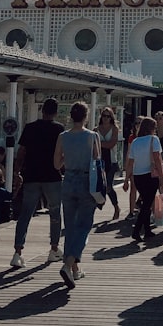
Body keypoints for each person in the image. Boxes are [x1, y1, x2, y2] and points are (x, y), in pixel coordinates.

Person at [10, 98, 64, 268]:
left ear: (42, 110)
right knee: (55, 213)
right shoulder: (59, 130)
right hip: (52, 176)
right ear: (56, 112)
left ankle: (18, 252)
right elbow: (62, 153)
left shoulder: (30, 128)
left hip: (31, 175)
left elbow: (22, 151)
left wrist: (17, 171)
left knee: (25, 214)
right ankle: (54, 249)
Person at [53, 101, 101, 288]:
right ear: (86, 116)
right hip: (86, 181)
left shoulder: (62, 136)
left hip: (68, 180)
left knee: (70, 225)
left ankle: (74, 269)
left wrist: (68, 157)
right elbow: (97, 160)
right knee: (84, 225)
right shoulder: (92, 136)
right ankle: (68, 264)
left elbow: (56, 164)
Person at [122, 116, 163, 242]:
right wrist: (162, 179)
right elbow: (157, 159)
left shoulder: (136, 141)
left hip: (138, 176)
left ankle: (147, 230)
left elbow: (130, 161)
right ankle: (137, 230)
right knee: (147, 203)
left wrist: (126, 179)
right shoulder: (154, 140)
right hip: (150, 175)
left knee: (146, 202)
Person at [96, 106, 122, 221]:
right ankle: (99, 204)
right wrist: (102, 144)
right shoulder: (96, 129)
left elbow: (111, 144)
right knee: (98, 185)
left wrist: (99, 143)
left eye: (108, 116)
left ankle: (116, 207)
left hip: (111, 161)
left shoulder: (114, 129)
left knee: (109, 186)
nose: (105, 118)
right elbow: (93, 145)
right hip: (99, 161)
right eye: (104, 116)